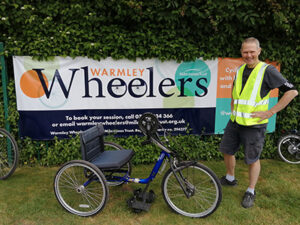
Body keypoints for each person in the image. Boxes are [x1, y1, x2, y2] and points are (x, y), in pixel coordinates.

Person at [219, 37, 298, 208]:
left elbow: (292, 91)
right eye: (245, 52)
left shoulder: (267, 70)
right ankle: (230, 178)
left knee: (252, 159)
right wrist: (233, 107)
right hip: (235, 122)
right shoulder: (240, 70)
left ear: (259, 51)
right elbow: (236, 91)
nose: (248, 55)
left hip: (254, 125)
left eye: (252, 52)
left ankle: (250, 191)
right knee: (226, 150)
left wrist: (271, 112)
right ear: (241, 53)